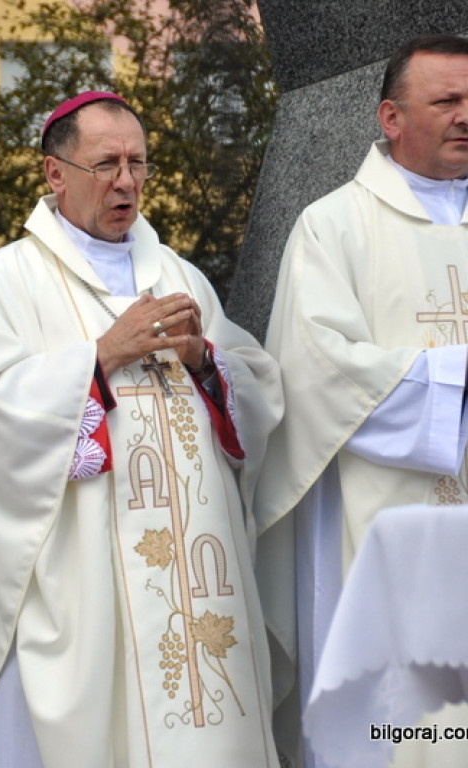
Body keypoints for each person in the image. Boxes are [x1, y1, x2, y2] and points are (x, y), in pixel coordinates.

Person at [0, 91, 283, 767]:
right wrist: (100, 356)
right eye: (106, 164)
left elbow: (262, 391)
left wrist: (206, 361)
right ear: (54, 173)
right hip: (81, 584)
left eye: (137, 163)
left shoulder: (178, 275)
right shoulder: (6, 282)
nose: (126, 181)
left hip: (196, 572)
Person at [256, 32, 468, 768]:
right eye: (447, 101)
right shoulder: (333, 226)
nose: (465, 116)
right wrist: (458, 380)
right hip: (384, 528)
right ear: (389, 117)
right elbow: (321, 374)